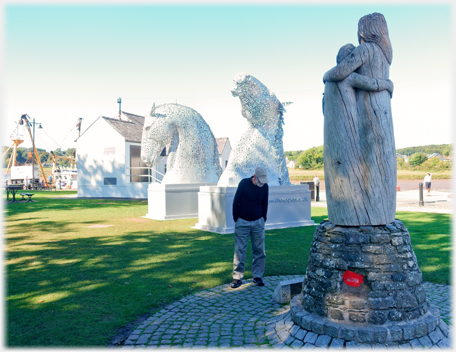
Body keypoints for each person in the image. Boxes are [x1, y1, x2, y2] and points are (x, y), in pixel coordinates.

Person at [323, 12, 396, 226]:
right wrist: (386, 84)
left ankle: (369, 212)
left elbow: (338, 73)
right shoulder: (384, 56)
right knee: (380, 158)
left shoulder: (366, 50)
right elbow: (375, 80)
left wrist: (326, 75)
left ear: (364, 30)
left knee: (370, 160)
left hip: (368, 108)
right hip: (382, 107)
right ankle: (379, 211)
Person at [231, 166, 269, 289]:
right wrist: (236, 218)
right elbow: (236, 201)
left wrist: (263, 219)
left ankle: (257, 276)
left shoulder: (265, 187)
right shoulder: (244, 183)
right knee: (240, 250)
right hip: (242, 221)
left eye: (264, 180)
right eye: (260, 180)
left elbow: (265, 203)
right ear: (255, 177)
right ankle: (237, 277)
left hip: (258, 222)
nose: (262, 183)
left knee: (259, 250)